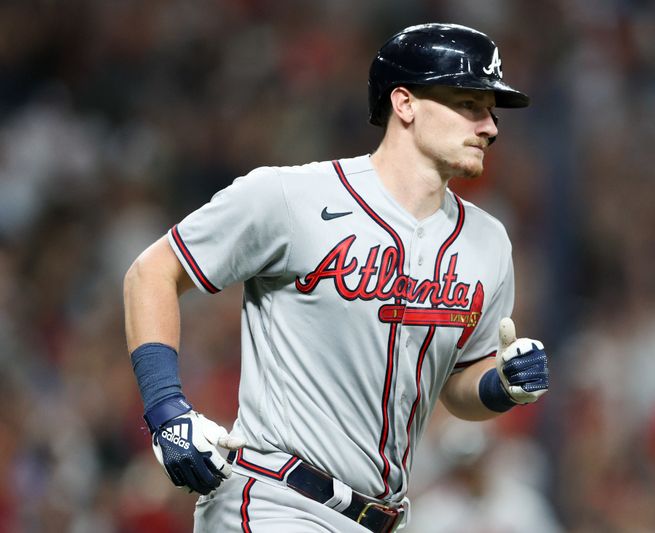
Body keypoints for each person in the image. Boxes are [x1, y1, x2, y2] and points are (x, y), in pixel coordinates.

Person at [123, 22, 549, 532]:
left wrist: (501, 385)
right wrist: (168, 412)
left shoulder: (488, 243)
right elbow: (152, 272)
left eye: (491, 111)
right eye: (469, 104)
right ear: (405, 104)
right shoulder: (290, 197)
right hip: (275, 500)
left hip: (382, 520)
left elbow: (456, 386)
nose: (490, 127)